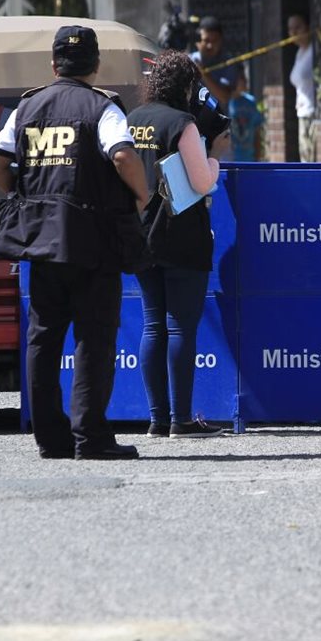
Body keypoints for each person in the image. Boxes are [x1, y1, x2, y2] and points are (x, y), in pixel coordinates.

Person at [0, 25, 150, 460]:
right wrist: (143, 196)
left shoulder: (27, 107)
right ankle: (90, 438)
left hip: (40, 243)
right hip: (94, 243)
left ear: (54, 65)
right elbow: (122, 155)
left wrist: (21, 195)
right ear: (95, 64)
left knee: (43, 339)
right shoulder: (103, 107)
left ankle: (50, 440)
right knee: (94, 340)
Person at [127, 50, 226, 439]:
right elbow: (203, 182)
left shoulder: (133, 120)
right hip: (182, 232)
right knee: (181, 327)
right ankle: (181, 420)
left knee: (153, 326)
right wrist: (215, 161)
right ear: (186, 86)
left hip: (141, 233)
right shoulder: (183, 123)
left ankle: (157, 418)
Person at [190, 16, 241, 106]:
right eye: (206, 40)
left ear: (221, 40)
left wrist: (204, 73)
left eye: (214, 41)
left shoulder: (229, 63)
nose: (210, 45)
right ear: (198, 41)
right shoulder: (190, 60)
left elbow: (224, 97)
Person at [287, 14, 316, 162]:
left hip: (312, 113)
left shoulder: (314, 51)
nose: (294, 33)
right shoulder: (300, 52)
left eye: (298, 27)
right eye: (291, 29)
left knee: (311, 159)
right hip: (302, 112)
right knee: (304, 157)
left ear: (308, 28)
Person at [227, 70, 264, 162]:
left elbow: (257, 131)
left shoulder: (251, 102)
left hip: (249, 156)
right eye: (241, 79)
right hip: (231, 157)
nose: (244, 81)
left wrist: (258, 156)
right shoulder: (227, 102)